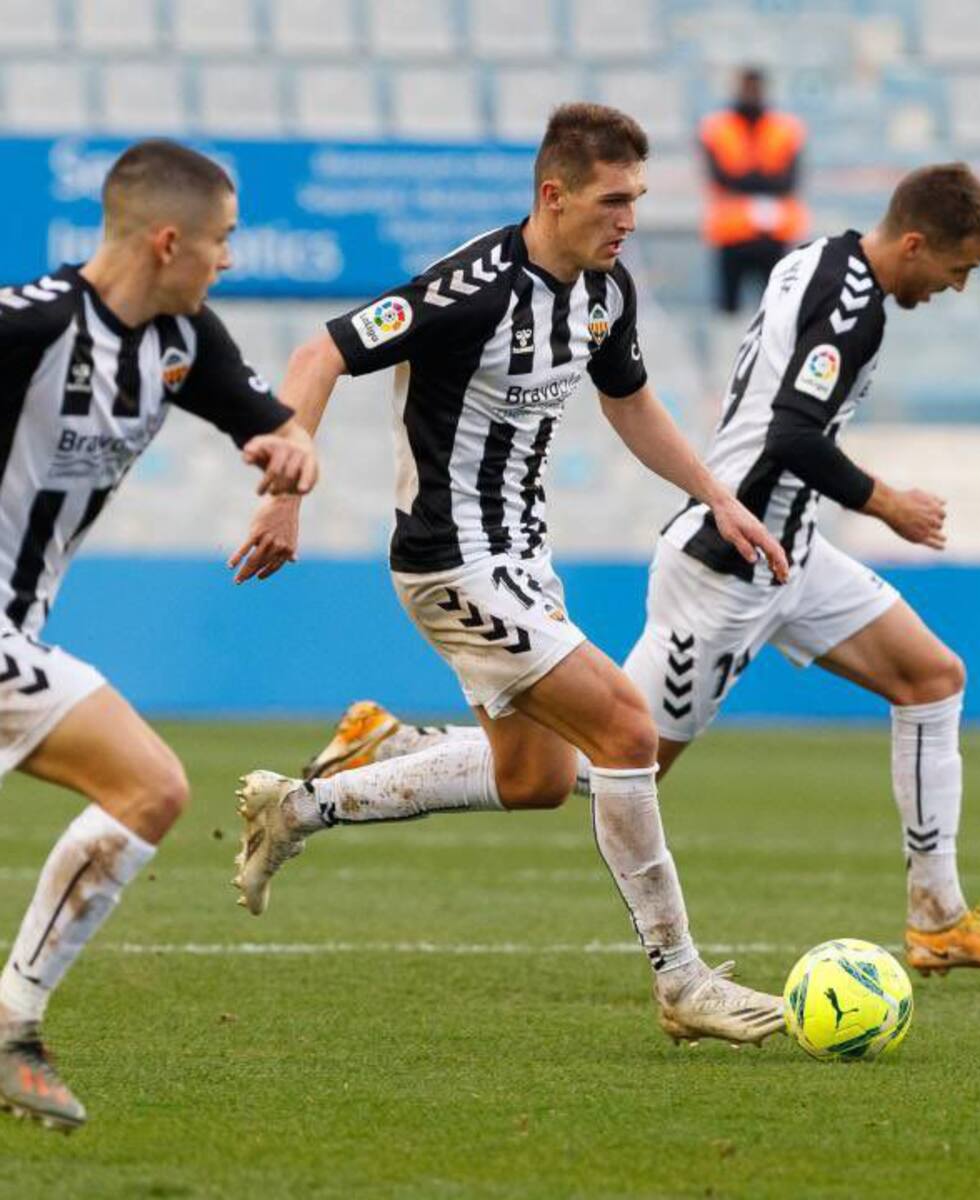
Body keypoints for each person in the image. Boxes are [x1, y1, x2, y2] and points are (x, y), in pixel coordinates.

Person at [304, 164, 980, 980]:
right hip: (728, 566)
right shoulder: (850, 312)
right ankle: (398, 747)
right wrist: (887, 503)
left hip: (792, 551)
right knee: (616, 762)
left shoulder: (815, 259)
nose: (957, 285)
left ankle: (938, 916)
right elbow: (792, 436)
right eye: (959, 268)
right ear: (914, 244)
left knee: (932, 678)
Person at [230, 104, 789, 1049]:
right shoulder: (471, 286)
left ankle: (301, 805)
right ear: (553, 194)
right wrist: (284, 486)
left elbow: (633, 403)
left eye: (638, 200)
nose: (629, 219)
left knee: (533, 778)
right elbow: (318, 352)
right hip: (450, 560)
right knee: (627, 727)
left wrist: (717, 497)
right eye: (614, 200)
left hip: (524, 560)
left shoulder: (606, 293)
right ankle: (682, 981)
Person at [0, 139, 318, 1132]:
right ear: (169, 239)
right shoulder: (29, 328)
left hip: (16, 628)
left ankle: (11, 1029)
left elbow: (267, 417)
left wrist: (285, 452)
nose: (228, 259)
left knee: (149, 789)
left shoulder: (181, 340)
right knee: (151, 784)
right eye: (221, 241)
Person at [699, 67, 807, 315]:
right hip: (732, 232)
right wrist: (764, 180)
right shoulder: (717, 128)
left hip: (774, 233)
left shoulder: (786, 129)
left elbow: (789, 182)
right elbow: (720, 178)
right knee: (727, 309)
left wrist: (745, 180)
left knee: (775, 308)